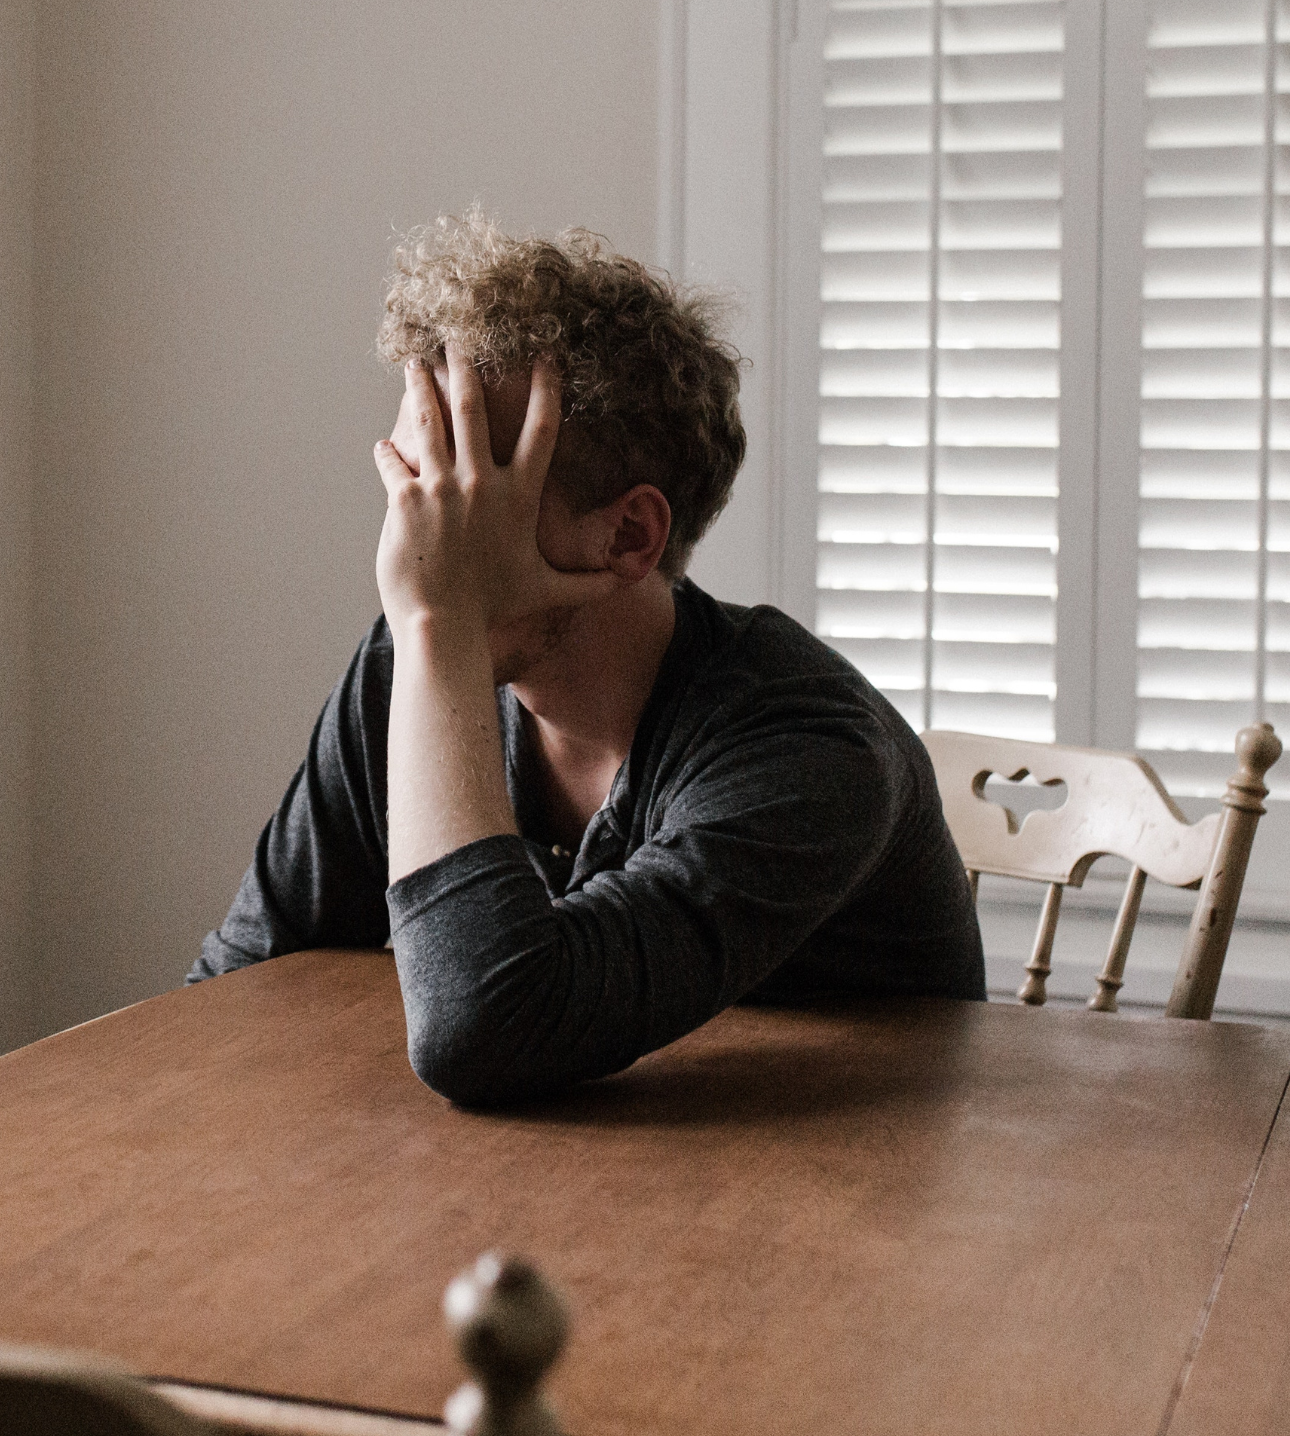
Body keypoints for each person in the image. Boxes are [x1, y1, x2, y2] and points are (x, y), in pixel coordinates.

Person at [189, 211, 985, 1105]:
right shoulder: (411, 665)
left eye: (464, 492)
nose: (412, 542)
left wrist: (441, 623)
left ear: (629, 534)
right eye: (412, 484)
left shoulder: (811, 749)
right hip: (552, 1187)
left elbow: (484, 1028)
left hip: (845, 1203)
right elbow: (233, 992)